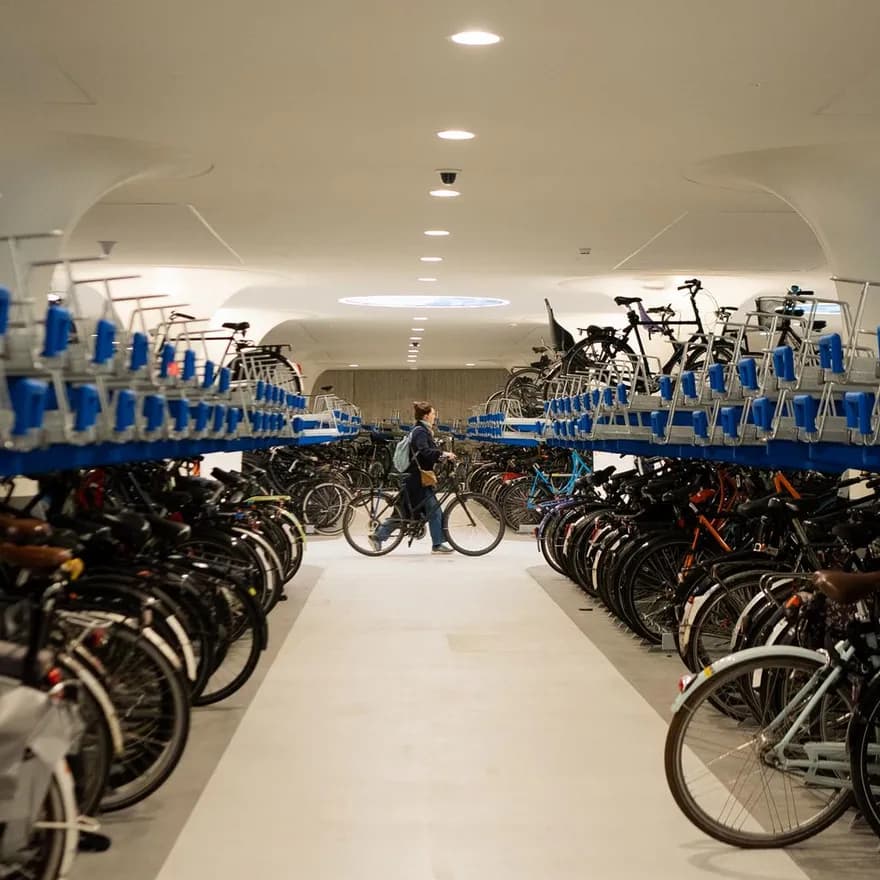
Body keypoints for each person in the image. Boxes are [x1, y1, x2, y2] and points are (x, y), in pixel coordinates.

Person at [370, 401, 456, 554]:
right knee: (421, 511)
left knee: (410, 512)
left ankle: (379, 536)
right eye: (433, 414)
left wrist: (440, 457)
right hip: (416, 479)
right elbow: (424, 451)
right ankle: (436, 544)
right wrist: (443, 454)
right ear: (426, 415)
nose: (435, 416)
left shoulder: (421, 430)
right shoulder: (420, 432)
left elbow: (426, 453)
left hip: (418, 478)